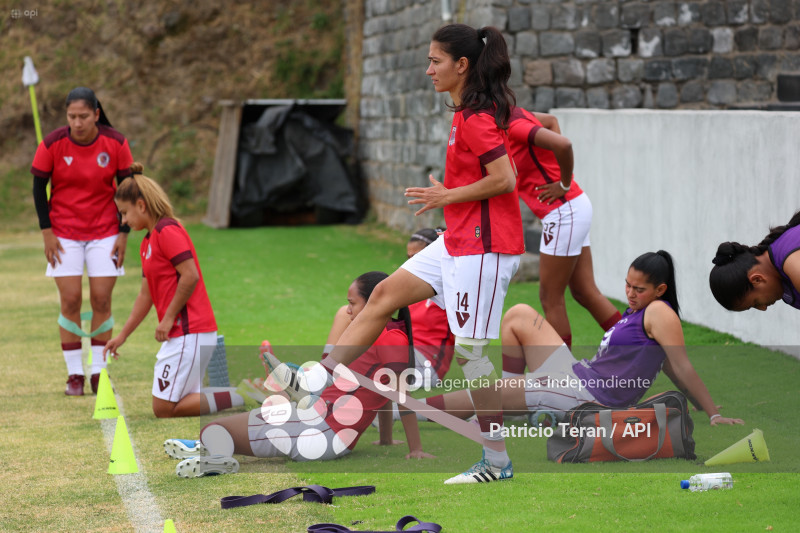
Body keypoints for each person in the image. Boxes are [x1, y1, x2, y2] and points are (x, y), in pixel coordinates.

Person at [293, 24, 523, 485]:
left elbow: (505, 179)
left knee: (473, 357)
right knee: (382, 295)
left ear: (462, 65)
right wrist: (451, 198)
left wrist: (447, 196)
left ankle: (497, 462)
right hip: (456, 241)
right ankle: (321, 377)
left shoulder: (476, 118)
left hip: (484, 249)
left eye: (436, 61)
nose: (428, 70)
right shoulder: (463, 113)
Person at [416, 251, 744, 428]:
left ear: (661, 290)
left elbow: (680, 366)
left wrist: (712, 413)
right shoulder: (640, 310)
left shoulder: (659, 312)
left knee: (489, 392)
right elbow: (669, 367)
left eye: (639, 289)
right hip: (576, 375)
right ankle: (507, 407)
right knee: (519, 315)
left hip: (587, 396)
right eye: (627, 285)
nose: (629, 293)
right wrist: (698, 403)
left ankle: (405, 410)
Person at [163, 271, 434, 477]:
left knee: (215, 429)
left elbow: (401, 395)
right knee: (218, 430)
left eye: (352, 303)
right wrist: (385, 439)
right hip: (319, 424)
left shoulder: (390, 338)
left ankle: (216, 457)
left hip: (320, 433)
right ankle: (208, 449)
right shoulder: (385, 334)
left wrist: (416, 449)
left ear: (374, 301)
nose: (348, 310)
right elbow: (383, 390)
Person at [103, 163, 245, 418]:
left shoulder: (167, 230)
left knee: (164, 409)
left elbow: (190, 275)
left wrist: (168, 318)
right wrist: (122, 336)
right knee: (173, 404)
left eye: (124, 213)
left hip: (190, 332)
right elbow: (145, 295)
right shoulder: (147, 242)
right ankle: (242, 393)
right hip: (183, 335)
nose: (123, 221)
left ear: (141, 205)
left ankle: (243, 394)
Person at [31, 87, 134, 396]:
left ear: (96, 114)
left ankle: (99, 373)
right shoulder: (52, 143)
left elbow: (128, 188)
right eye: (71, 116)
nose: (77, 122)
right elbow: (38, 189)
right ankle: (74, 374)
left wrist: (123, 233)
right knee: (71, 300)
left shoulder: (116, 143)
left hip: (106, 232)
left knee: (102, 299)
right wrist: (47, 232)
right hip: (63, 234)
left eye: (84, 116)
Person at [506, 107, 621, 362]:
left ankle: (561, 374)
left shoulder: (510, 123)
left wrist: (563, 182)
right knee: (584, 291)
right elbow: (551, 120)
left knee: (550, 297)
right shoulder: (513, 113)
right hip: (571, 208)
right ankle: (639, 348)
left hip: (563, 212)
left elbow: (564, 144)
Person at [709, 210, 800, 312]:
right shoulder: (780, 276)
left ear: (757, 279)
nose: (763, 308)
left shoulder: (793, 264)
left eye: (756, 303)